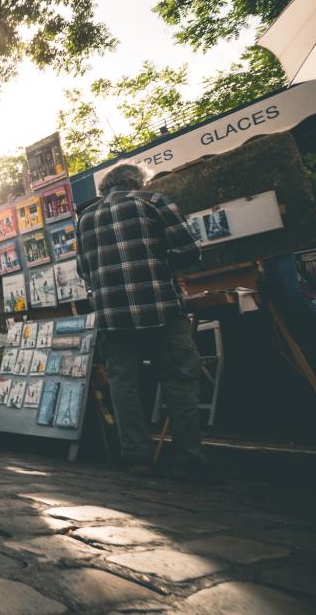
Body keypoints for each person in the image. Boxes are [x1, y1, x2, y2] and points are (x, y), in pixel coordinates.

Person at [76, 164, 208, 478]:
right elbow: (190, 251)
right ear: (138, 182)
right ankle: (188, 456)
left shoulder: (86, 218)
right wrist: (159, 263)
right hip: (160, 307)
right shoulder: (154, 202)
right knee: (179, 380)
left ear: (103, 188)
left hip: (113, 315)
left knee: (124, 384)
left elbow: (84, 270)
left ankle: (137, 456)